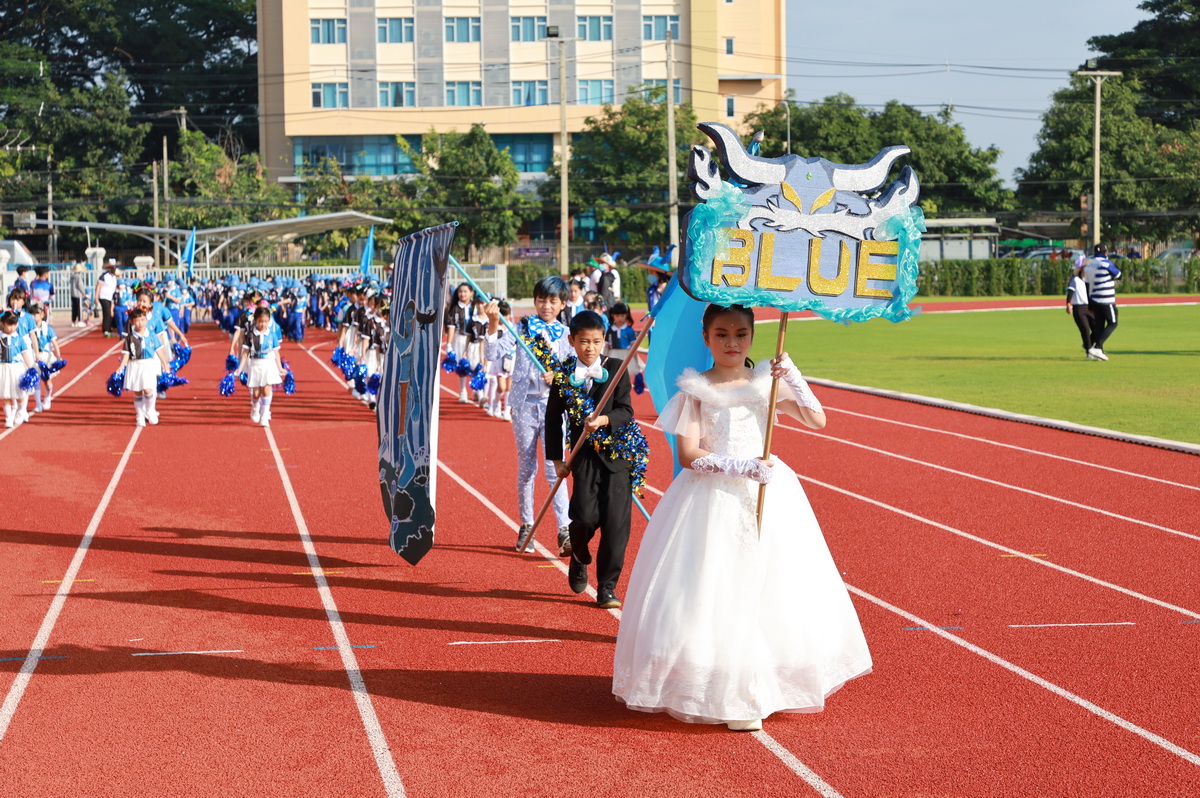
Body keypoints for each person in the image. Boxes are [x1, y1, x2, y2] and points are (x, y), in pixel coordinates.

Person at [612, 303, 871, 731]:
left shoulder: (766, 383)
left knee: (769, 584)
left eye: (740, 334)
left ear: (752, 336)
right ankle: (725, 689)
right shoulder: (696, 389)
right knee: (717, 585)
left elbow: (817, 420)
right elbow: (688, 454)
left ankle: (758, 686)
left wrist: (795, 379)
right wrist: (740, 466)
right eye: (722, 334)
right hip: (712, 497)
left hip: (769, 494)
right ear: (706, 337)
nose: (732, 343)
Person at [545, 310, 638, 609]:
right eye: (584, 341)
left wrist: (605, 420)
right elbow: (552, 420)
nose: (590, 348)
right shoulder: (563, 376)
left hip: (617, 456)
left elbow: (626, 411)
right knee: (584, 517)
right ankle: (578, 553)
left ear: (603, 341)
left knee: (616, 525)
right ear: (572, 340)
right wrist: (556, 460)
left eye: (596, 342)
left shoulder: (617, 369)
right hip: (583, 456)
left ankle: (607, 587)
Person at [483, 276, 573, 555]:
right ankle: (527, 525)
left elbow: (575, 372)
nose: (546, 306)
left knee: (554, 469)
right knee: (526, 468)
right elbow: (492, 353)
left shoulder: (567, 334)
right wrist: (494, 323)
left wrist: (558, 376)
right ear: (535, 301)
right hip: (524, 406)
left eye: (553, 301)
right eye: (542, 300)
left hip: (553, 409)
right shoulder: (521, 327)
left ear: (563, 304)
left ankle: (564, 528)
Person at [116, 307, 170, 427]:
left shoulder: (151, 335)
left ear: (146, 320)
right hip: (135, 365)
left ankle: (150, 410)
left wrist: (164, 362)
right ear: (132, 322)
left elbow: (159, 349)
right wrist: (121, 366)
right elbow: (126, 354)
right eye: (137, 320)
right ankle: (139, 415)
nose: (140, 323)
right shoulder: (130, 337)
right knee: (138, 391)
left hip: (148, 364)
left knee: (148, 389)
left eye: (142, 319)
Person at [236, 307, 284, 427]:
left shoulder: (271, 334)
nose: (263, 324)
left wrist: (280, 367)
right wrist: (240, 368)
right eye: (260, 321)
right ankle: (255, 407)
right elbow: (245, 353)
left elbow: (276, 352)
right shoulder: (250, 335)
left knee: (267, 390)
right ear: (256, 320)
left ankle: (264, 416)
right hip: (255, 365)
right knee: (256, 393)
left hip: (268, 364)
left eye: (266, 321)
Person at [1083, 244, 1121, 361]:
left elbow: (1087, 284)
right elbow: (1118, 274)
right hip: (1106, 299)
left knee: (1099, 326)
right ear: (1106, 252)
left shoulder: (1089, 265)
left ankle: (1098, 352)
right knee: (1113, 323)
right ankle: (1098, 347)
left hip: (1094, 299)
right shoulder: (1106, 263)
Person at [0, 310, 37, 428]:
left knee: (20, 395)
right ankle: (9, 419)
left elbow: (25, 354)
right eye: (9, 324)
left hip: (17, 369)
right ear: (2, 324)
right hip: (4, 369)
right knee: (6, 395)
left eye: (14, 324)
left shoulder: (19, 338)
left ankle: (21, 411)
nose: (12, 328)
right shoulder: (0, 339)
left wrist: (30, 368)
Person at [484, 300, 515, 421]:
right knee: (501, 387)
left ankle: (506, 411)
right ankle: (496, 403)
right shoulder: (495, 327)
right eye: (503, 314)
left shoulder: (513, 327)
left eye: (507, 314)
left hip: (512, 360)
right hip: (499, 361)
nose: (505, 317)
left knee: (509, 388)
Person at [30, 303, 62, 412]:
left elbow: (54, 343)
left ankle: (48, 397)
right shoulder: (30, 329)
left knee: (46, 381)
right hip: (34, 356)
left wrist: (58, 356)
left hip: (46, 356)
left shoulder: (48, 328)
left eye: (36, 314)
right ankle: (38, 404)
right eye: (32, 314)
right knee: (35, 380)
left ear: (42, 315)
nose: (34, 316)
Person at [1065, 263, 1093, 359]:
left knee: (1097, 328)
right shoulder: (1075, 280)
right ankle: (1089, 351)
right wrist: (1068, 304)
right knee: (1085, 329)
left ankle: (1091, 346)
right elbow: (1070, 291)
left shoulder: (1090, 280)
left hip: (1090, 307)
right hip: (1079, 308)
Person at [96, 260, 118, 337]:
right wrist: (96, 298)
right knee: (107, 313)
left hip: (111, 298)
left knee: (111, 313)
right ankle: (106, 330)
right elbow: (98, 287)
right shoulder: (104, 276)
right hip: (104, 297)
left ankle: (110, 328)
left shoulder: (114, 277)